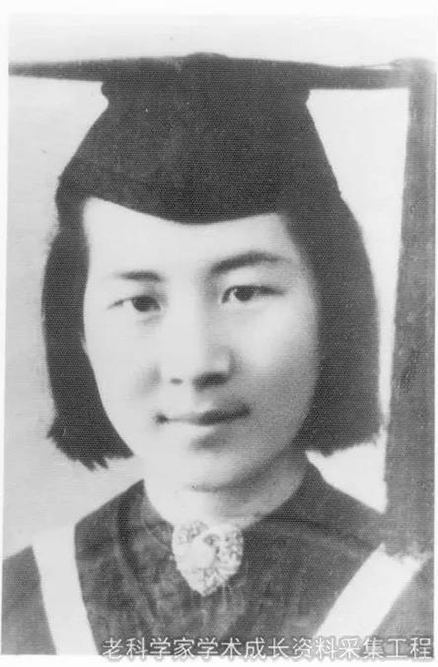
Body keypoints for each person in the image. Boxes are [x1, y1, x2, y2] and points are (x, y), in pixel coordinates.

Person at [3, 53, 432, 656]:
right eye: (140, 301)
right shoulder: (20, 602)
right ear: (77, 328)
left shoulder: (413, 597)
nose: (195, 363)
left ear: (333, 310)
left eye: (245, 292)